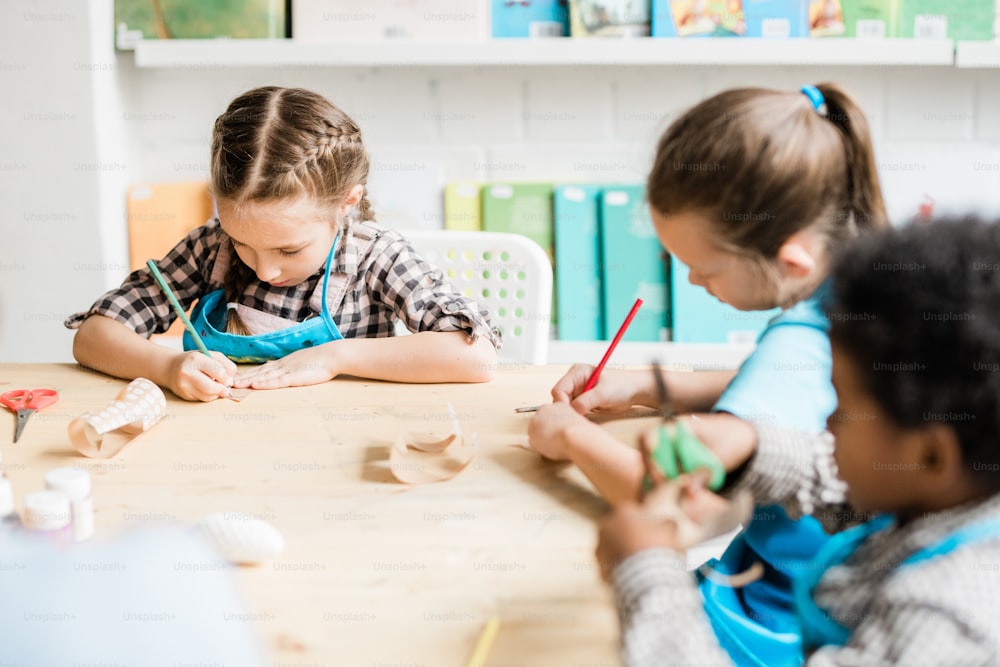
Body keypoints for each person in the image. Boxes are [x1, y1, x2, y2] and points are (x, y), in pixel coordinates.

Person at [528, 83, 887, 665]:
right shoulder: (867, 290)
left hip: (776, 615)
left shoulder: (796, 340)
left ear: (789, 259)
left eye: (702, 268)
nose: (693, 282)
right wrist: (650, 386)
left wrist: (568, 436)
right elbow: (798, 394)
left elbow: (685, 505)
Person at [596, 216, 1000, 665]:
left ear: (930, 454)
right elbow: (837, 479)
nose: (826, 424)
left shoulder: (940, 616)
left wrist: (647, 573)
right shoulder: (955, 490)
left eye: (841, 410)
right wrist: (748, 446)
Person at [65, 86, 500, 401]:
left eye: (289, 250)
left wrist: (335, 357)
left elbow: (476, 357)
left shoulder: (375, 256)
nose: (265, 270)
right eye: (243, 243)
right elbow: (93, 336)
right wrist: (164, 367)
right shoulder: (211, 248)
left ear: (347, 202)